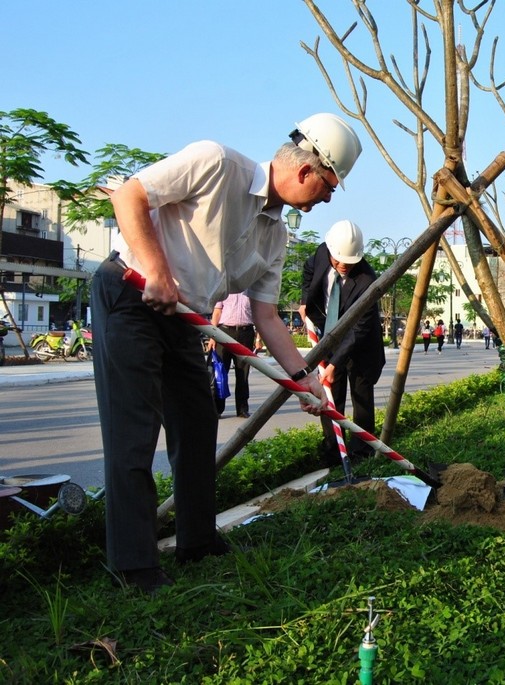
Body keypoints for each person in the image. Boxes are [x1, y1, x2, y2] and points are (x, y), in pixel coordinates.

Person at [93, 112, 361, 594]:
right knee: (133, 432)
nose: (325, 199)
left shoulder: (276, 235)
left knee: (197, 423)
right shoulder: (216, 163)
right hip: (131, 294)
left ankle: (196, 540)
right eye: (328, 188)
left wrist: (303, 377)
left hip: (183, 318)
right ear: (306, 171)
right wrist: (157, 268)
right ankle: (134, 566)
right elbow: (130, 194)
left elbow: (267, 317)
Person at [301, 220, 385, 467]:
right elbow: (308, 274)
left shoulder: (368, 280)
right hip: (328, 337)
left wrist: (334, 364)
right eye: (337, 261)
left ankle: (361, 453)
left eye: (349, 263)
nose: (342, 266)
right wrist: (305, 301)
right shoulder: (319, 254)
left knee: (361, 400)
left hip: (360, 346)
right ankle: (334, 452)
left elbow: (358, 330)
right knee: (327, 396)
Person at [208, 293, 256, 418]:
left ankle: (242, 409)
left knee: (243, 373)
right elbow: (217, 313)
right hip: (224, 332)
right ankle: (217, 409)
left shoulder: (251, 291)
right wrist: (212, 336)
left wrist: (259, 338)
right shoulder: (224, 290)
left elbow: (257, 315)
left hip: (246, 332)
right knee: (220, 372)